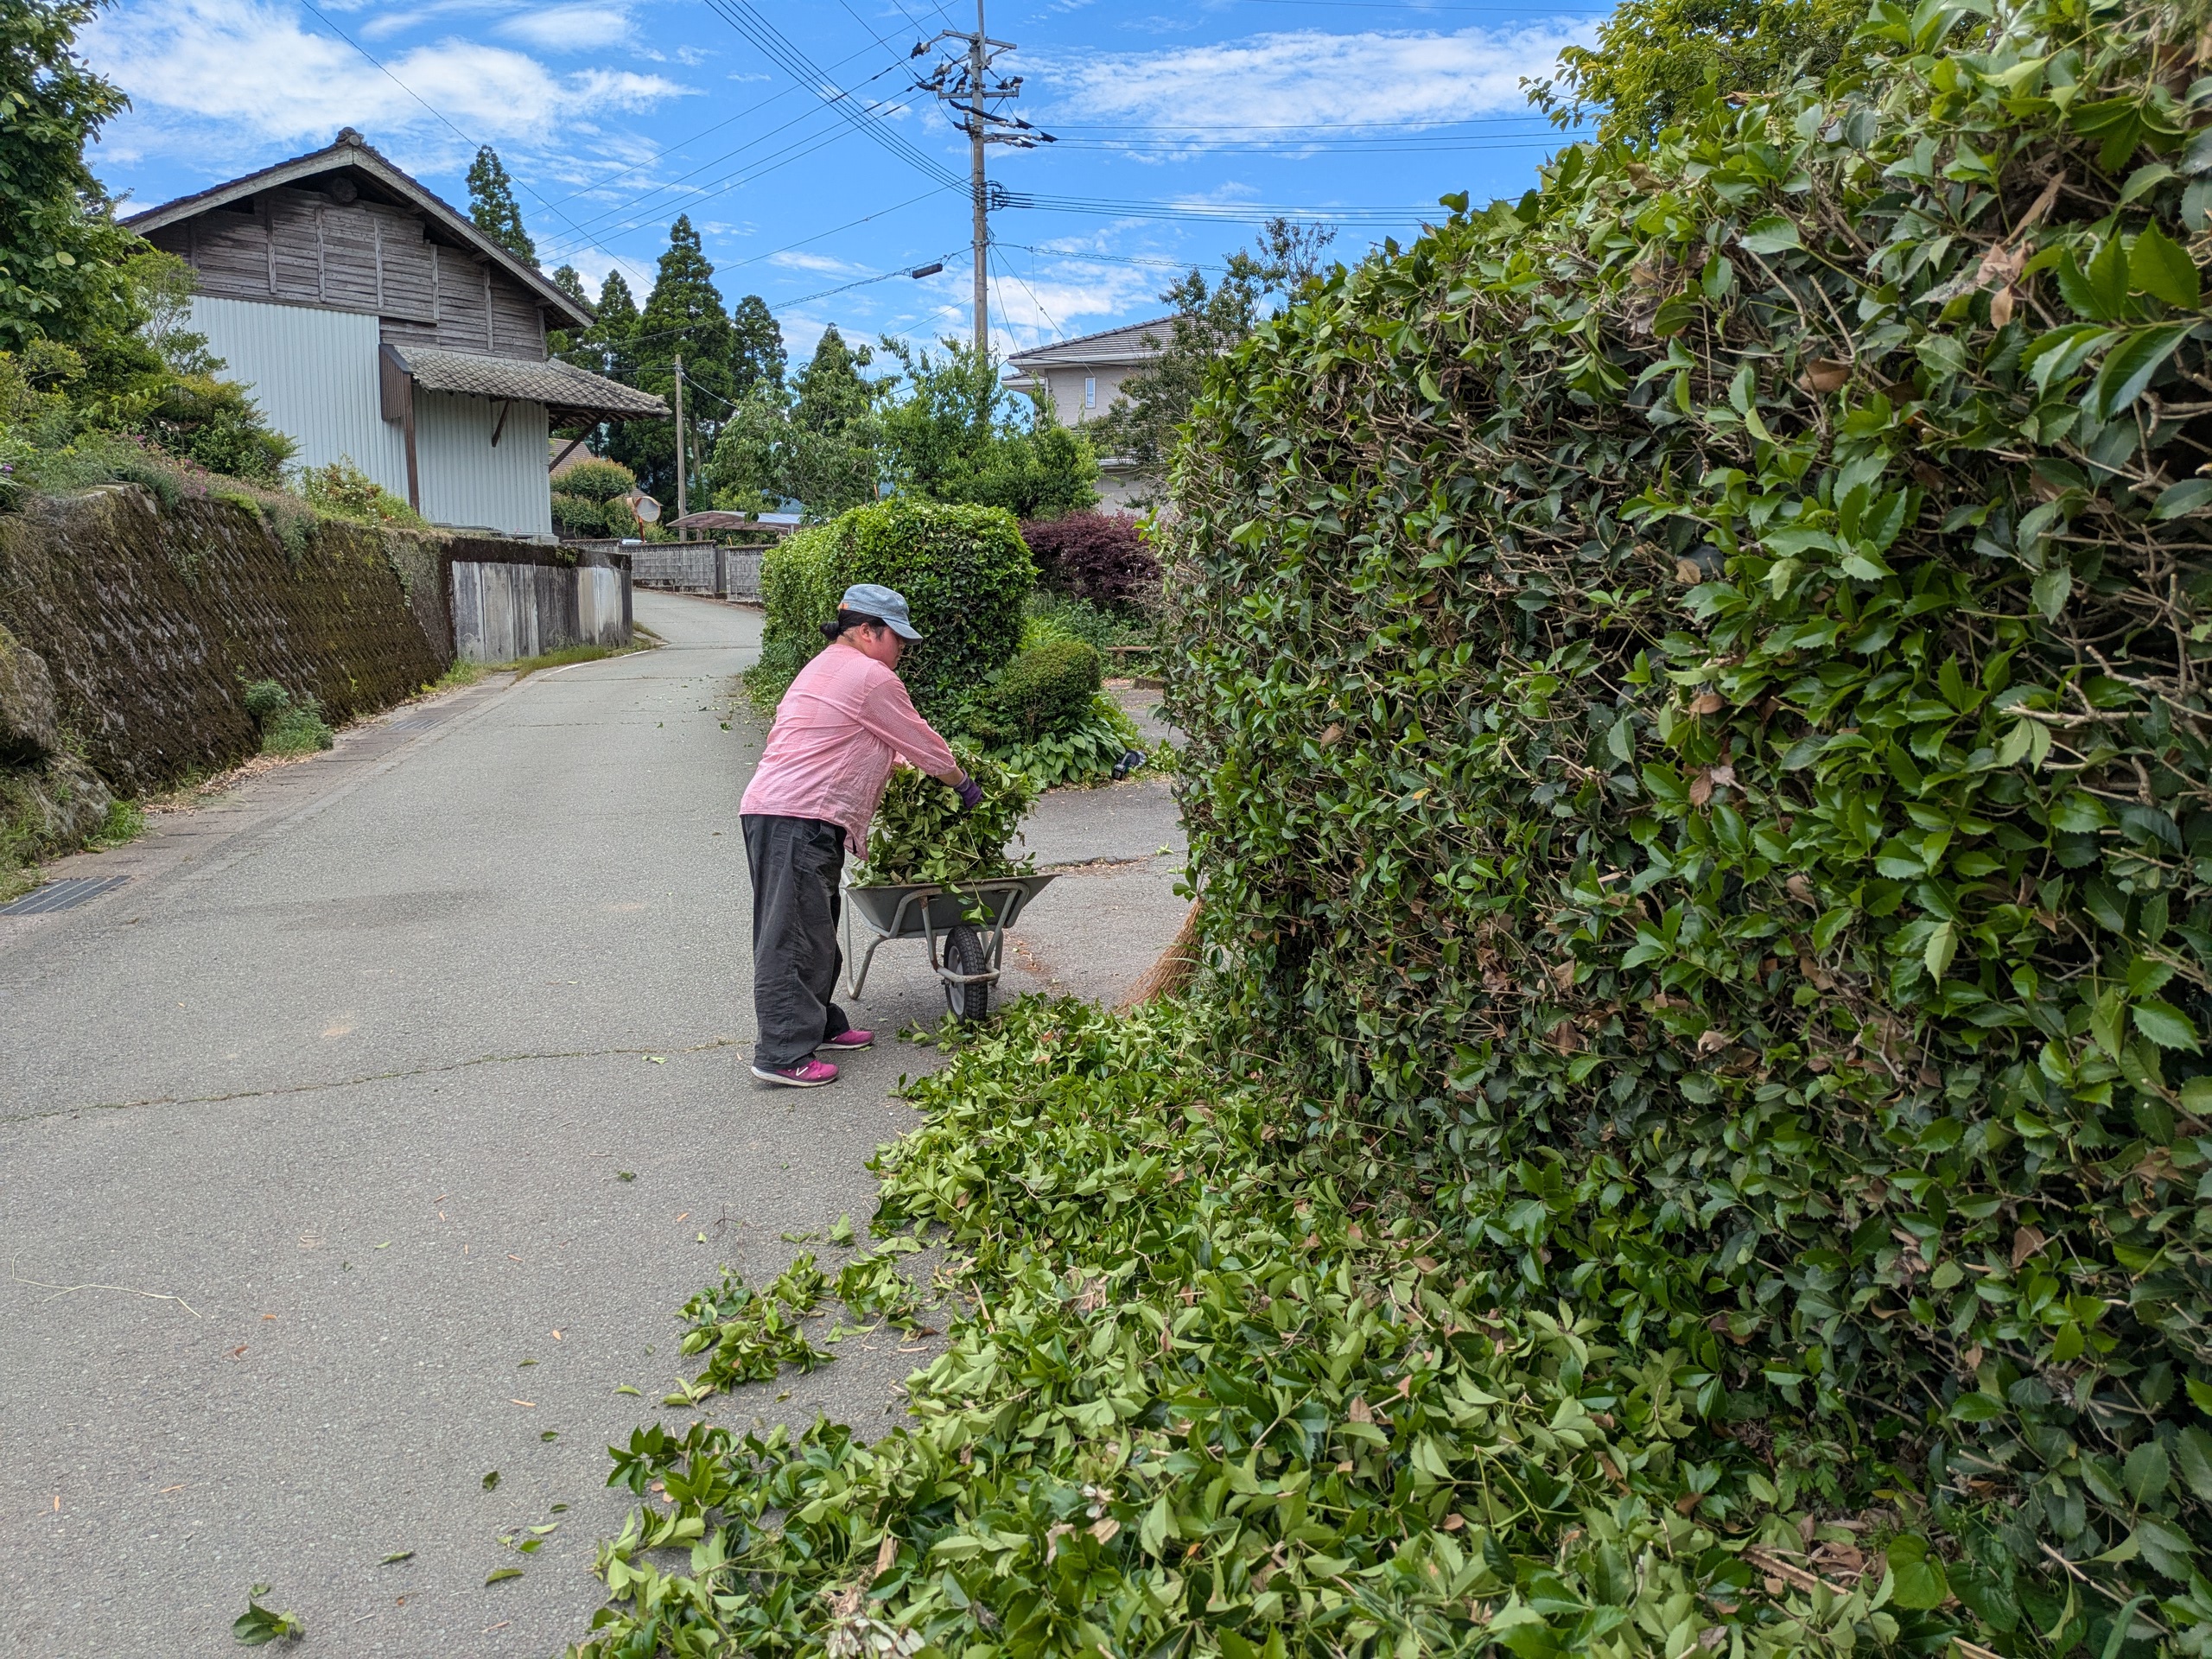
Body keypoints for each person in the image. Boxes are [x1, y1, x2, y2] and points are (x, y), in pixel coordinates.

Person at [738, 582, 982, 1087]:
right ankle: (782, 1053)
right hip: (796, 816)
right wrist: (960, 782)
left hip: (791, 814)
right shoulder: (871, 676)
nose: (902, 651)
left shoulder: (826, 666)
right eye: (898, 639)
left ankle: (819, 1024)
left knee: (814, 928)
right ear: (868, 631)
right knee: (791, 936)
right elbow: (920, 740)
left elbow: (853, 738)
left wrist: (898, 768)